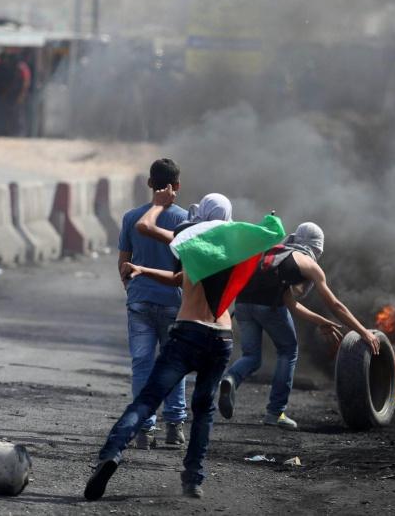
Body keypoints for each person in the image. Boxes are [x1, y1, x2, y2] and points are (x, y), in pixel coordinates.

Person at [85, 188, 285, 501]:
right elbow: (181, 277)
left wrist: (157, 205)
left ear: (202, 214)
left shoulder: (191, 238)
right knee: (203, 410)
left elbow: (147, 228)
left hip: (188, 333)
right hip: (220, 338)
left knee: (148, 400)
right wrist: (145, 270)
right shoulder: (237, 246)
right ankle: (193, 479)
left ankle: (111, 453)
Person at [219, 222, 380, 429]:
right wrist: (363, 332)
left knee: (251, 356)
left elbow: (291, 303)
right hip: (269, 306)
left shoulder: (273, 253)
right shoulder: (309, 264)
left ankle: (230, 378)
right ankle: (275, 412)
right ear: (317, 246)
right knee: (288, 351)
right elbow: (335, 305)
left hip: (242, 304)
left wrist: (320, 321)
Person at [117, 158, 190, 450]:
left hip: (140, 302)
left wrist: (132, 290)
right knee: (174, 365)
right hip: (174, 303)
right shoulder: (187, 221)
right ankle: (174, 427)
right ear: (177, 185)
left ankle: (144, 430)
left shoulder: (131, 218)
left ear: (149, 183)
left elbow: (123, 263)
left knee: (142, 366)